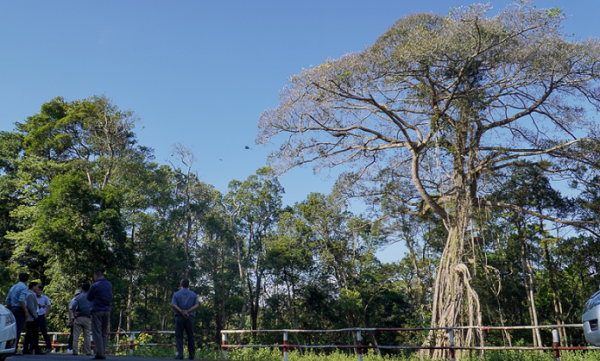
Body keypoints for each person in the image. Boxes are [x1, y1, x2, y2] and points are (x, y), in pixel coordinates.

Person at [171, 279, 198, 360]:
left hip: (179, 317)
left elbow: (174, 305)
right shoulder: (193, 294)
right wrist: (187, 312)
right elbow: (196, 305)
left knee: (179, 335)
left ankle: (180, 354)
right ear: (188, 285)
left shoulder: (176, 294)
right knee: (190, 336)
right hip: (189, 317)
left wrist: (182, 312)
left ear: (181, 285)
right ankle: (191, 355)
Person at [88, 270, 112, 360]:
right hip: (107, 310)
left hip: (97, 310)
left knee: (97, 332)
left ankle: (100, 353)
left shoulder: (95, 285)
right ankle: (103, 352)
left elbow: (89, 297)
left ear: (96, 276)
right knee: (104, 332)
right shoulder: (109, 284)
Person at [5, 273, 29, 356]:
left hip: (13, 308)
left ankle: (9, 347)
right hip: (20, 309)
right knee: (18, 329)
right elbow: (22, 299)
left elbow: (7, 300)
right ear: (27, 279)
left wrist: (12, 307)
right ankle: (14, 349)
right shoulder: (24, 287)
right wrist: (25, 311)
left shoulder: (13, 287)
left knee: (12, 329)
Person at [23, 282, 46, 355]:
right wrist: (36, 316)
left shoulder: (32, 294)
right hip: (31, 318)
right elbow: (31, 307)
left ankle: (26, 348)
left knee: (29, 334)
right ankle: (36, 349)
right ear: (33, 287)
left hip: (31, 317)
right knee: (34, 334)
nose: (38, 288)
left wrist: (39, 306)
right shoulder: (30, 295)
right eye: (37, 287)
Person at [72, 283, 93, 356]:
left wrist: (74, 313)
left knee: (76, 335)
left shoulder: (78, 297)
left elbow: (74, 305)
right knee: (87, 335)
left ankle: (75, 350)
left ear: (82, 289)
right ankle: (88, 351)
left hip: (79, 317)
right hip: (87, 318)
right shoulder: (91, 297)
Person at [36, 286, 52, 352]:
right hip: (35, 315)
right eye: (38, 290)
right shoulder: (34, 297)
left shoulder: (45, 297)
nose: (39, 292)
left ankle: (49, 346)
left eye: (40, 290)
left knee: (44, 332)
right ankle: (33, 347)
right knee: (34, 332)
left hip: (42, 315)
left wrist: (46, 314)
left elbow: (49, 305)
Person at [67, 288, 82, 354]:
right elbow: (70, 310)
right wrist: (70, 320)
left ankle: (73, 348)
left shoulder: (79, 300)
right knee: (73, 334)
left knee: (75, 334)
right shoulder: (73, 300)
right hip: (73, 318)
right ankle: (70, 347)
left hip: (78, 317)